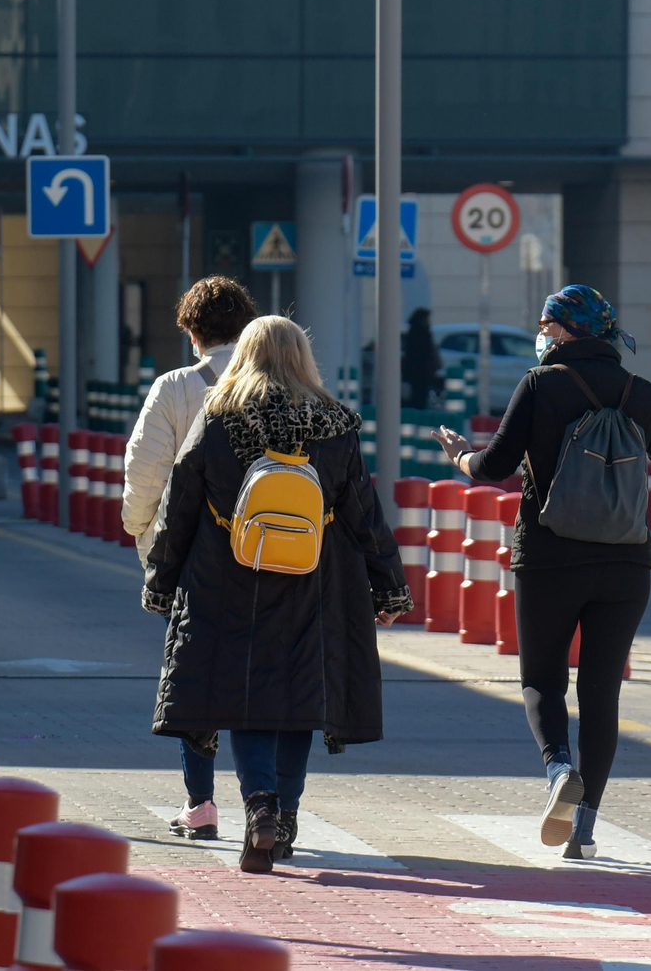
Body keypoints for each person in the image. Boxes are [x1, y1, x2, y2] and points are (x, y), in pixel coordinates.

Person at [433, 284, 651, 861]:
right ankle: (586, 827)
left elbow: (494, 466)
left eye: (548, 325)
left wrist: (458, 455)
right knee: (601, 693)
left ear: (566, 329)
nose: (542, 335)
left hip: (550, 557)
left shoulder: (540, 384)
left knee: (542, 681)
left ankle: (557, 773)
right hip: (627, 563)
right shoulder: (641, 392)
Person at [143, 315, 412, 874]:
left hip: (228, 581)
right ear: (301, 359)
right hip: (317, 580)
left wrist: (162, 578)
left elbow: (181, 502)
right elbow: (364, 512)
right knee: (299, 700)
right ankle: (285, 817)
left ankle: (259, 804)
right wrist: (389, 585)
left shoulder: (218, 417)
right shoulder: (335, 424)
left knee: (246, 700)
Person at [122, 275, 259, 842]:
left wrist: (142, 534)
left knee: (194, 669)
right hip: (266, 551)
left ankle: (200, 802)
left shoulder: (176, 386)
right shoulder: (275, 384)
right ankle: (267, 801)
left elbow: (145, 469)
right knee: (260, 674)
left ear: (193, 331)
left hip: (193, 556)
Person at [402, 307, 442, 410]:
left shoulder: (415, 332)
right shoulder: (420, 333)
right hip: (420, 369)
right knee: (419, 393)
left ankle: (417, 409)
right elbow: (420, 352)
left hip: (417, 370)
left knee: (418, 393)